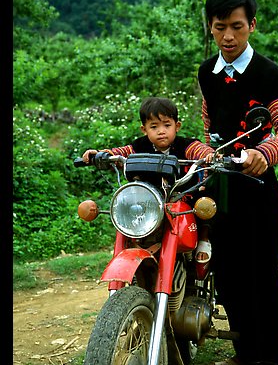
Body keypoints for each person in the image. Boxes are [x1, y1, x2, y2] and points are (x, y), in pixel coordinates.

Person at [197, 0, 278, 365]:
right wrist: (205, 152)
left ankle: (270, 360)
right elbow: (210, 125)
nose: (228, 36)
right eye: (220, 27)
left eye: (236, 27)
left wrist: (266, 151)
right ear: (210, 27)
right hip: (219, 190)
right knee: (227, 274)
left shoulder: (269, 73)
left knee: (261, 274)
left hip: (258, 191)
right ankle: (244, 355)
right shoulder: (207, 72)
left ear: (251, 26)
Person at [83, 96, 215, 266]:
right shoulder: (139, 146)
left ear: (177, 126)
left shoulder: (186, 145)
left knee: (204, 202)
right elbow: (121, 152)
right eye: (154, 126)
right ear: (144, 129)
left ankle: (204, 238)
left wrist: (210, 155)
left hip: (183, 198)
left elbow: (199, 150)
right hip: (149, 202)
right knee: (128, 207)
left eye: (167, 125)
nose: (161, 131)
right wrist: (102, 155)